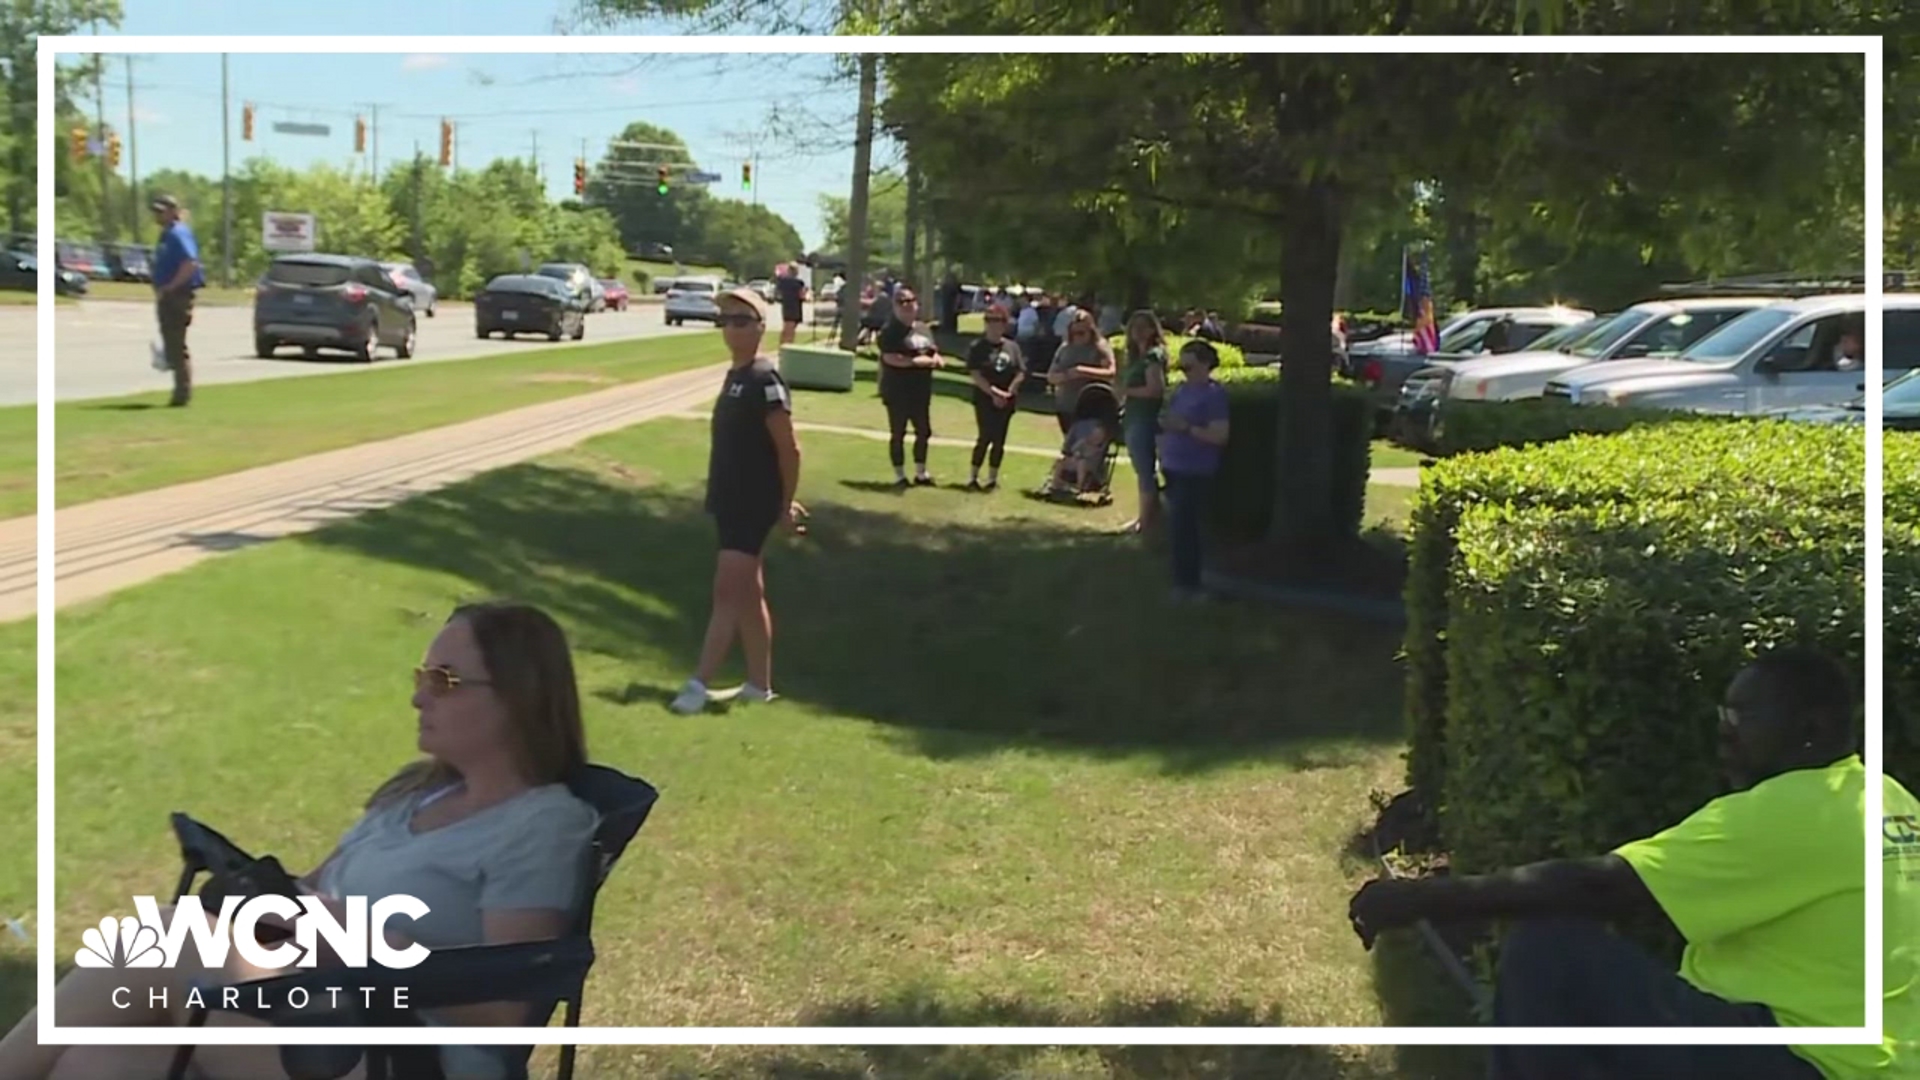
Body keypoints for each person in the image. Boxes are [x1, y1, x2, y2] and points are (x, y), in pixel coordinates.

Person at [0, 601, 602, 1080]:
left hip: (400, 1053)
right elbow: (315, 895)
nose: (419, 694)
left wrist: (360, 933)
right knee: (95, 1063)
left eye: (443, 680)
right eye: (422, 676)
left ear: (515, 697)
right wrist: (262, 892)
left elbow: (506, 1015)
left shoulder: (541, 825)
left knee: (159, 936)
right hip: (320, 1008)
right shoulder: (414, 797)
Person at [1347, 646, 1919, 1080]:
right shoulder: (1890, 800)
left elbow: (1600, 887)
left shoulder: (1792, 809)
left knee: (1549, 951)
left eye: (1742, 715)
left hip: (1811, 1059)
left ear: (1811, 730)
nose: (1723, 731)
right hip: (1874, 1061)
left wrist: (1416, 900)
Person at [670, 288, 805, 715]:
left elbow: (790, 449)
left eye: (742, 321)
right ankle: (758, 685)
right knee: (748, 593)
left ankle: (698, 684)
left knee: (726, 590)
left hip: (753, 502)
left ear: (761, 327)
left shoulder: (765, 379)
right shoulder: (736, 376)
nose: (731, 328)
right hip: (729, 500)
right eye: (725, 320)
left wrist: (785, 505)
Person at [1157, 341, 1231, 602]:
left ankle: (1192, 584)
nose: (1184, 371)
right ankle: (1183, 581)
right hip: (1174, 466)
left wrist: (1187, 428)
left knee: (1188, 529)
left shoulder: (1214, 395)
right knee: (1178, 529)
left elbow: (1220, 436)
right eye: (1182, 366)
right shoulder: (1181, 391)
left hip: (1196, 470)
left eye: (1188, 366)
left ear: (1204, 364)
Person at [876, 285, 942, 488]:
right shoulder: (889, 332)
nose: (906, 306)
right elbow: (889, 358)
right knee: (898, 432)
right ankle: (899, 475)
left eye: (910, 301)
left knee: (924, 431)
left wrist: (936, 359)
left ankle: (921, 473)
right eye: (901, 302)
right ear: (894, 307)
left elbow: (932, 351)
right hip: (897, 390)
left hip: (921, 389)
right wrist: (914, 363)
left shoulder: (923, 328)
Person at [148, 193, 205, 408]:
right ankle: (180, 390)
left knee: (176, 345)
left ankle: (182, 394)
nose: (157, 215)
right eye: (156, 211)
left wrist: (171, 287)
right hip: (168, 296)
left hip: (177, 296)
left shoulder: (178, 233)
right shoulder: (167, 234)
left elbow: (190, 263)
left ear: (173, 211)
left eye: (161, 211)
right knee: (172, 344)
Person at [1118, 310, 1169, 534]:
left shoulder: (1153, 356)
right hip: (1133, 416)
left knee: (1145, 471)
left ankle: (1146, 522)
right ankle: (1148, 518)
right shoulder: (1136, 357)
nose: (1137, 331)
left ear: (1152, 329)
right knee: (1142, 471)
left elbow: (1155, 389)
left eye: (1143, 326)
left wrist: (1126, 390)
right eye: (1133, 326)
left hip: (1145, 418)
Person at [965, 302, 1025, 491]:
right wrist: (993, 392)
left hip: (1007, 400)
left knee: (999, 439)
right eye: (989, 320)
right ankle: (973, 477)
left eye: (997, 320)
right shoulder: (978, 347)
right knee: (985, 436)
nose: (992, 324)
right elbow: (975, 374)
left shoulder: (1012, 347)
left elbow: (1020, 371)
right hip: (985, 399)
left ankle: (992, 478)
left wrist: (1009, 391)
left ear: (1005, 323)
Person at [1047, 308, 1118, 437]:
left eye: (1082, 333)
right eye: (1074, 333)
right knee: (1070, 444)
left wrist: (1083, 372)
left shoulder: (1100, 347)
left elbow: (1111, 372)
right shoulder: (1064, 348)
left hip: (1092, 407)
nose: (1077, 337)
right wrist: (1068, 375)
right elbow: (1051, 376)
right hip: (1067, 405)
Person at [773, 263, 808, 346]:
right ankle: (788, 346)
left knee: (786, 328)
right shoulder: (799, 283)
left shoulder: (783, 281)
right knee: (791, 330)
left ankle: (782, 345)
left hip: (786, 306)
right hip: (795, 307)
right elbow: (801, 295)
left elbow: (778, 292)